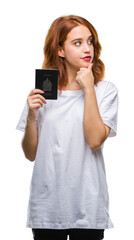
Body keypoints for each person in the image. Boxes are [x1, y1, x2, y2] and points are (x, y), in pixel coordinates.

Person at [16, 15, 119, 240]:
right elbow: (30, 153)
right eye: (77, 43)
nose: (87, 48)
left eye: (90, 41)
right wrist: (32, 114)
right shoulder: (44, 92)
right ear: (60, 50)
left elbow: (94, 140)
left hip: (88, 205)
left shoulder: (105, 90)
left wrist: (89, 88)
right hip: (47, 207)